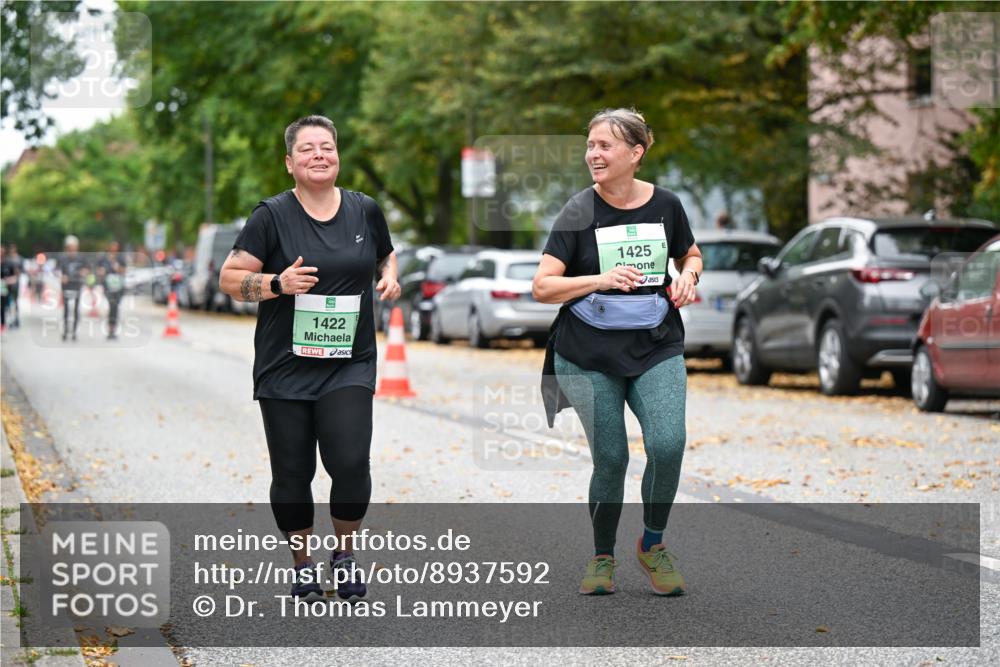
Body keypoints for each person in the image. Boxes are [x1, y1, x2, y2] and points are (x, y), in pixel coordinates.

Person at [219, 115, 399, 603]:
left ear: (337, 156)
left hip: (349, 362)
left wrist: (389, 276)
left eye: (327, 148)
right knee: (293, 473)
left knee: (350, 460)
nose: (319, 156)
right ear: (290, 162)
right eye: (307, 150)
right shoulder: (271, 216)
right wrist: (278, 283)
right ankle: (301, 563)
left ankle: (344, 555)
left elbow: (385, 254)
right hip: (285, 367)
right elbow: (230, 279)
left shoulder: (365, 210)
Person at [533, 108, 703, 596]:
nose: (593, 154)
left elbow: (689, 253)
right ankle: (602, 557)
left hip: (655, 345)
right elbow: (543, 287)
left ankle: (652, 545)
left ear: (636, 153)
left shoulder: (667, 205)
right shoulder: (577, 211)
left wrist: (689, 275)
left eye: (604, 146)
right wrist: (600, 280)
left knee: (668, 444)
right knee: (611, 460)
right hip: (586, 351)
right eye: (590, 145)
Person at [56, 235, 89, 342]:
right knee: (66, 309)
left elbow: (87, 269)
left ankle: (74, 332)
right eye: (70, 247)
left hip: (77, 285)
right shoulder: (62, 258)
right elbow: (56, 270)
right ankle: (66, 331)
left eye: (74, 247)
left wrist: (83, 273)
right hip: (66, 286)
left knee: (76, 309)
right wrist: (61, 276)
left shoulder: (81, 258)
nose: (72, 249)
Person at [98, 241, 126, 340]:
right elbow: (99, 271)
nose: (114, 249)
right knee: (111, 306)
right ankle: (110, 328)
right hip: (108, 286)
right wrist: (102, 272)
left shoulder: (120, 259)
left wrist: (118, 268)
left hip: (118, 286)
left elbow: (124, 271)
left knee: (115, 308)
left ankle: (113, 329)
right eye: (112, 247)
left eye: (116, 247)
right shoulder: (104, 258)